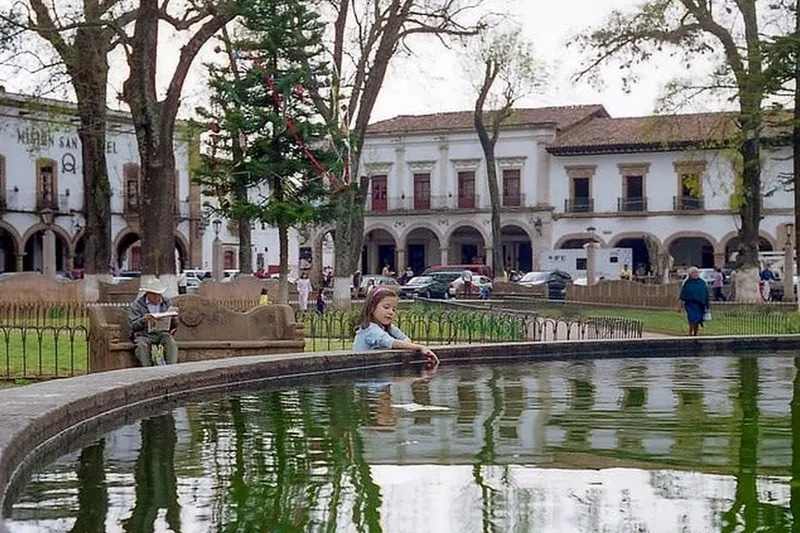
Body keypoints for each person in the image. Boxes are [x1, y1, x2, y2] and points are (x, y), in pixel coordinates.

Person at [353, 287, 439, 364]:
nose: (391, 312)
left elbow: (405, 339)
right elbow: (392, 343)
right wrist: (421, 347)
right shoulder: (370, 329)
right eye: (386, 307)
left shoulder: (388, 327)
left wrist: (407, 344)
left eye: (394, 309)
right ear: (372, 308)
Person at [127, 278, 178, 366]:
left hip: (162, 333)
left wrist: (174, 318)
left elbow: (174, 325)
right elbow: (132, 325)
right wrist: (143, 320)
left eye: (159, 294)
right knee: (141, 346)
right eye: (154, 294)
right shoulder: (137, 305)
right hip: (144, 334)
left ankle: (171, 367)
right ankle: (148, 369)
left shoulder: (166, 302)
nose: (157, 297)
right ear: (148, 294)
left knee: (171, 343)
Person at [678, 266, 710, 337]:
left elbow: (705, 293)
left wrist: (707, 303)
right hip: (690, 304)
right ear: (690, 274)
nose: (695, 274)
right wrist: (679, 306)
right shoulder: (687, 283)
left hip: (700, 305)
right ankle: (690, 331)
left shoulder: (702, 282)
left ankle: (695, 333)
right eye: (693, 273)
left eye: (696, 273)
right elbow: (683, 294)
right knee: (692, 318)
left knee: (698, 319)